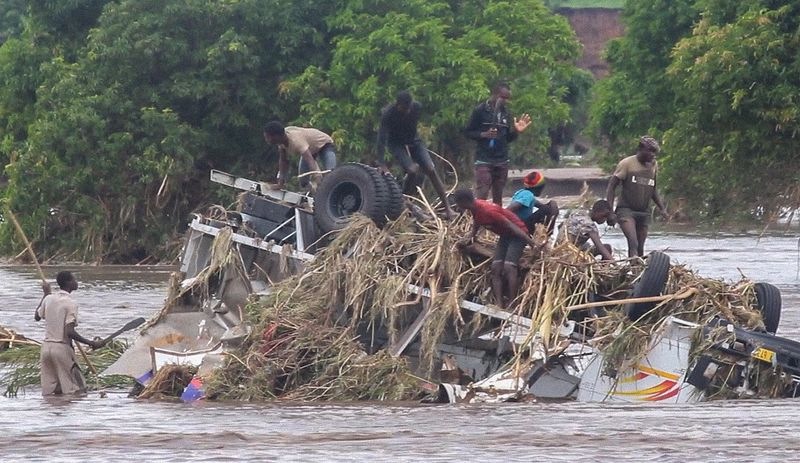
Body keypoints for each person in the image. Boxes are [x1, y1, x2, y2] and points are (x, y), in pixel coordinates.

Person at [376, 91, 455, 218]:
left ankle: (448, 208)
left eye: (409, 107)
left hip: (414, 140)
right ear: (398, 105)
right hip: (396, 143)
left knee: (431, 169)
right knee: (412, 170)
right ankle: (404, 200)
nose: (407, 111)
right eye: (404, 108)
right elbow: (381, 138)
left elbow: (411, 128)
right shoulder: (388, 114)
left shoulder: (416, 107)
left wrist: (411, 146)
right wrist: (382, 163)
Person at [454, 189, 536, 309]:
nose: (457, 206)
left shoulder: (488, 210)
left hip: (518, 234)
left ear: (464, 202)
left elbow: (510, 225)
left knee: (509, 266)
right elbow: (477, 220)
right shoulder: (474, 207)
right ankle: (499, 303)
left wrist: (531, 242)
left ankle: (512, 302)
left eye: (458, 203)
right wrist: (472, 236)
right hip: (505, 235)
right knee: (495, 267)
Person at [35, 271, 106, 396]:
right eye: (74, 279)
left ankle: (50, 414)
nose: (76, 282)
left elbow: (37, 316)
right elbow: (69, 332)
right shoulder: (71, 303)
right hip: (61, 348)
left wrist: (45, 294)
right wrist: (91, 343)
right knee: (73, 390)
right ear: (68, 283)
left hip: (46, 349)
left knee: (50, 391)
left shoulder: (49, 298)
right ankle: (68, 414)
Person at [464, 81, 532, 205]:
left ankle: (496, 222)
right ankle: (477, 220)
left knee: (498, 196)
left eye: (507, 99)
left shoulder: (506, 113)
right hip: (484, 159)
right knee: (483, 192)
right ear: (494, 94)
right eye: (503, 97)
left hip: (501, 160)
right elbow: (468, 132)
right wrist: (484, 134)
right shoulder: (480, 110)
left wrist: (517, 131)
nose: (504, 101)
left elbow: (507, 139)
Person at [606, 135, 668, 257]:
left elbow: (653, 189)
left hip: (643, 212)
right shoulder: (626, 164)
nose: (653, 155)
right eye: (650, 151)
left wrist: (662, 209)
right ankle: (633, 268)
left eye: (654, 152)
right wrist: (610, 212)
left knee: (640, 247)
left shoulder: (654, 165)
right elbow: (611, 187)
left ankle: (638, 273)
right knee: (633, 242)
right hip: (626, 210)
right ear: (641, 149)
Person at [263, 121, 337, 190]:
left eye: (267, 137)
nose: (266, 140)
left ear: (276, 136)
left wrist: (317, 178)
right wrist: (280, 183)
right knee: (303, 181)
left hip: (325, 144)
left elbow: (309, 160)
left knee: (330, 175)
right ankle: (313, 194)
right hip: (310, 149)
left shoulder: (296, 141)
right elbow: (283, 161)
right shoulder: (281, 142)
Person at [506, 170, 559, 236]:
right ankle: (549, 233)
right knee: (553, 204)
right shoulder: (528, 195)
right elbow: (511, 208)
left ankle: (547, 232)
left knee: (551, 205)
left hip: (520, 224)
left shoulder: (522, 192)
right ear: (538, 188)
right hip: (522, 225)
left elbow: (542, 206)